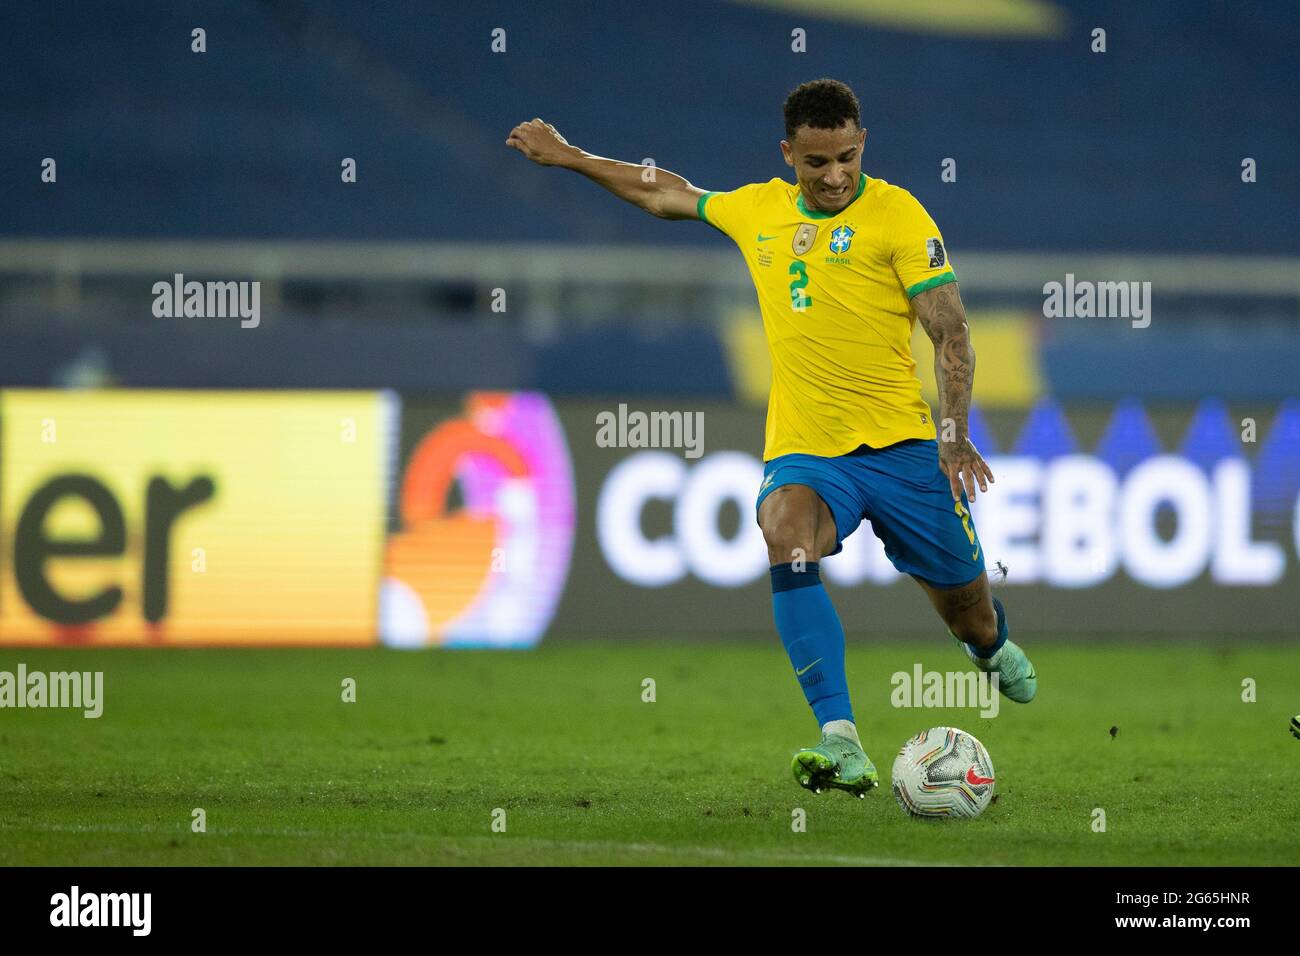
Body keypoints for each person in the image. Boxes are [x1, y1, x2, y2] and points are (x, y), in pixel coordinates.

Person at [507, 77, 1036, 798]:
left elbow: (951, 329)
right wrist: (569, 156)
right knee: (786, 534)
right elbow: (664, 192)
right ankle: (840, 738)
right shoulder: (758, 210)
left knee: (970, 616)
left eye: (846, 157)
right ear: (789, 153)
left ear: (863, 144)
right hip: (809, 453)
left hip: (907, 451)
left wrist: (953, 434)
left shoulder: (900, 215)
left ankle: (990, 646)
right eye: (816, 162)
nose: (834, 175)